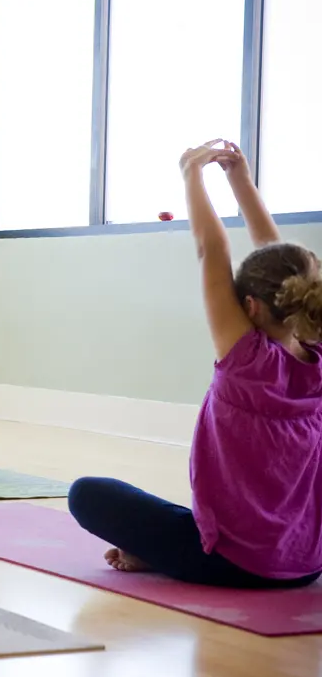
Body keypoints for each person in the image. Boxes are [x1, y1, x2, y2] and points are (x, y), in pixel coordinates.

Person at [68, 139, 322, 589]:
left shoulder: (247, 359)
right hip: (306, 562)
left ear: (250, 307)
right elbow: (284, 265)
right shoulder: (316, 359)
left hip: (234, 563)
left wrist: (192, 172)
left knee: (87, 494)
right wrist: (240, 180)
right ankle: (165, 552)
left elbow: (211, 250)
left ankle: (163, 556)